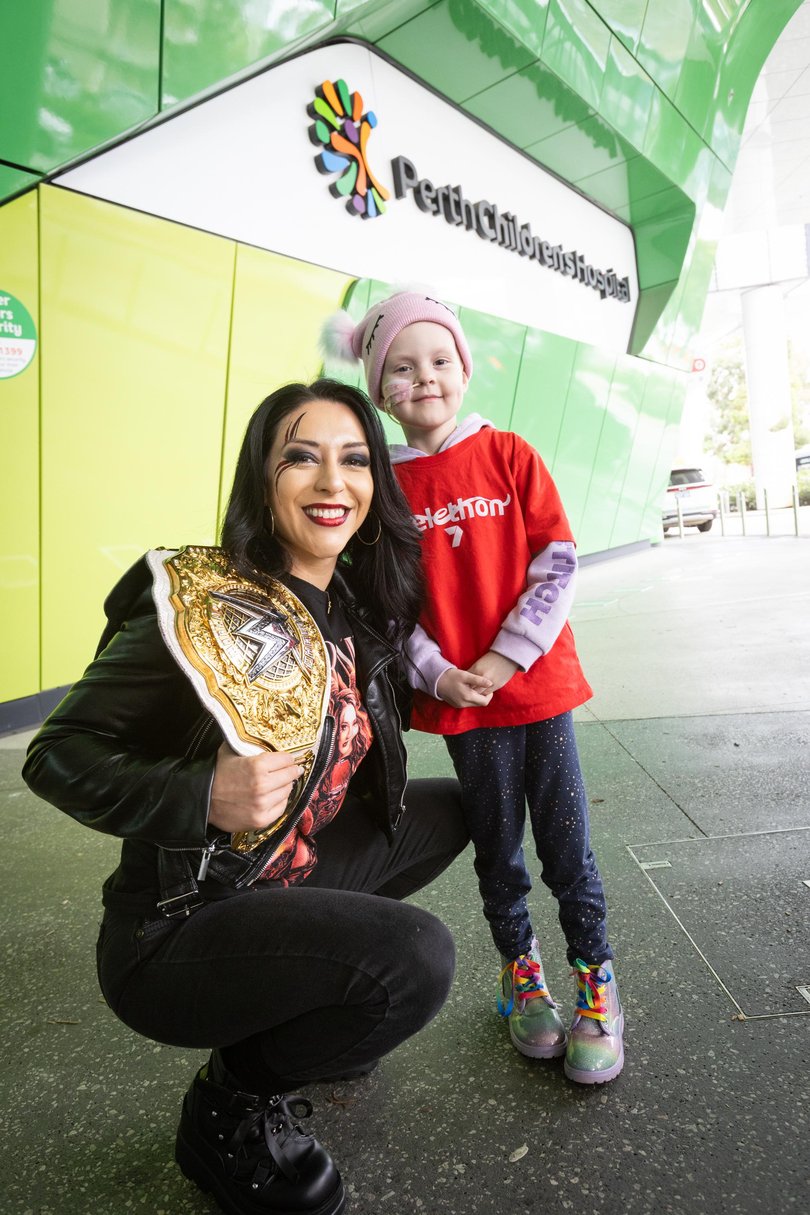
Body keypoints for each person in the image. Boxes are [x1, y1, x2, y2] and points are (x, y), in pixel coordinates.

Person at [22, 378, 469, 1215]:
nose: (332, 481)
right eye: (301, 457)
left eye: (354, 460)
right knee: (417, 959)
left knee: (451, 810)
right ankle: (230, 1102)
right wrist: (203, 794)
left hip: (280, 873)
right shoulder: (199, 606)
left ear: (375, 485)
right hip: (179, 926)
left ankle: (313, 998)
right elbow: (55, 755)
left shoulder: (350, 603)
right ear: (263, 480)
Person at [322, 292, 624, 1085]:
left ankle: (597, 984)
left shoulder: (511, 454)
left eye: (439, 360)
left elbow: (557, 564)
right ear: (380, 390)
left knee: (567, 848)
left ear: (464, 369)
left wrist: (504, 658)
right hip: (463, 705)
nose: (425, 377)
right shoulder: (382, 488)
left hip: (537, 690)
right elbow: (386, 605)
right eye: (402, 367)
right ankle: (522, 977)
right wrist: (439, 673)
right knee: (498, 850)